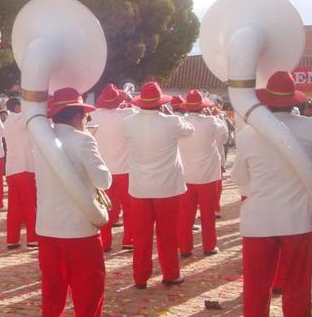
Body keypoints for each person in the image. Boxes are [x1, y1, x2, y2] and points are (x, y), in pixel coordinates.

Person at [231, 72, 312, 317]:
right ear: (293, 101)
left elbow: (239, 178)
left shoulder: (248, 133)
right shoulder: (308, 126)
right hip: (298, 220)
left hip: (258, 221)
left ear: (267, 103)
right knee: (297, 285)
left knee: (255, 288)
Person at [34, 87, 113, 317]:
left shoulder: (42, 141)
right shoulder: (83, 140)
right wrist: (90, 139)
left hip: (47, 224)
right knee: (89, 282)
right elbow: (104, 180)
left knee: (53, 285)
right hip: (79, 225)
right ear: (79, 115)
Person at [117, 82, 194, 288]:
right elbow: (190, 130)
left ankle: (140, 277)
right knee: (167, 235)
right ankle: (170, 273)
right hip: (168, 188)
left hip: (140, 187)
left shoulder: (129, 122)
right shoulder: (172, 122)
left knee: (141, 237)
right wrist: (170, 114)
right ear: (161, 103)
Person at [177, 90, 228, 257]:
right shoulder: (212, 121)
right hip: (208, 175)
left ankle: (185, 247)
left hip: (186, 175)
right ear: (202, 107)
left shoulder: (180, 122)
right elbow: (225, 137)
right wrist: (213, 116)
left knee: (185, 215)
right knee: (208, 215)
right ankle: (209, 246)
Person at [90, 84, 136, 252]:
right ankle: (129, 239)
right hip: (125, 169)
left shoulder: (93, 115)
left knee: (105, 208)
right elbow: (139, 108)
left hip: (102, 170)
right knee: (129, 209)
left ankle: (105, 242)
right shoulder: (128, 114)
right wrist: (128, 98)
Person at [2, 97, 38, 249]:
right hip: (25, 166)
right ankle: (33, 238)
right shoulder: (21, 118)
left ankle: (12, 239)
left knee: (14, 206)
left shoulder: (7, 121)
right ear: (17, 107)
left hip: (12, 168)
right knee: (31, 204)